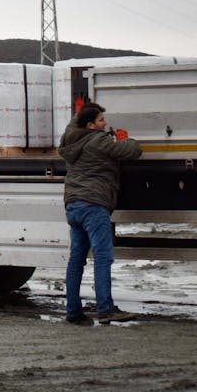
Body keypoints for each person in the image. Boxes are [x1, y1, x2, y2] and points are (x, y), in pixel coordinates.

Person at [59, 101, 143, 325]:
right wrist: (125, 139)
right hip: (93, 205)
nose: (105, 123)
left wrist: (79, 112)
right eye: (101, 120)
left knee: (76, 261)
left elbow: (72, 126)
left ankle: (73, 311)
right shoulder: (99, 141)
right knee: (103, 258)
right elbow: (133, 151)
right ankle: (105, 308)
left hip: (74, 204)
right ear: (91, 125)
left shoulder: (70, 140)